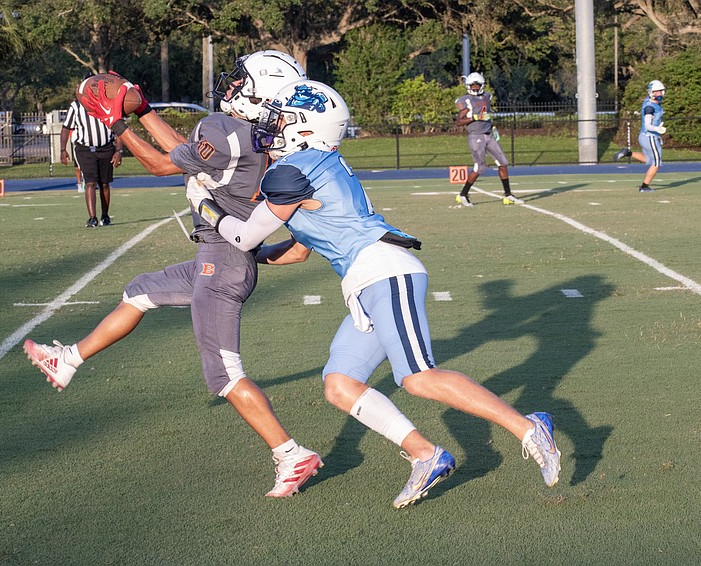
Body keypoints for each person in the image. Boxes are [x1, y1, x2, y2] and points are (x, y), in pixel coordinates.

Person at [193, 79, 561, 508]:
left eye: (282, 119)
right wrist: (247, 257)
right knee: (340, 384)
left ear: (307, 128)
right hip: (365, 281)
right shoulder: (312, 166)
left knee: (418, 377)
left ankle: (528, 427)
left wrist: (202, 203)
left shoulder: (292, 170)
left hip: (385, 272)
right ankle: (426, 454)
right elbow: (294, 252)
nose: (272, 127)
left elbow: (240, 235)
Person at [23, 51, 322, 498]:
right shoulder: (260, 136)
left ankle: (290, 453)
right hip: (224, 258)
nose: (233, 85)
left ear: (260, 89)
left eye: (242, 80)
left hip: (221, 263)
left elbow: (164, 164)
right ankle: (67, 360)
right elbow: (184, 154)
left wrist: (119, 124)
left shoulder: (224, 129)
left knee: (224, 375)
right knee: (140, 291)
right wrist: (142, 111)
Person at [453, 72, 521, 207]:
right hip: (476, 136)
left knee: (503, 163)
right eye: (473, 85)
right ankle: (463, 195)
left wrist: (493, 126)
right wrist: (475, 118)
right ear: (468, 86)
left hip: (489, 134)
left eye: (478, 85)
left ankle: (508, 195)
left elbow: (487, 115)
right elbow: (459, 122)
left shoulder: (487, 96)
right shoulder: (466, 100)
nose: (476, 88)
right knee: (479, 167)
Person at [60, 94, 123, 227]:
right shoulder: (76, 106)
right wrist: (63, 150)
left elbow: (119, 128)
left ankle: (105, 216)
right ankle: (92, 217)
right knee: (90, 182)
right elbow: (66, 128)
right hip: (85, 149)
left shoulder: (108, 104)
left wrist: (118, 151)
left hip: (106, 148)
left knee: (105, 183)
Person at [613, 80, 667, 193]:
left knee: (648, 160)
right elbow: (648, 125)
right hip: (650, 136)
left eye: (660, 91)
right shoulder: (650, 107)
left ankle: (628, 153)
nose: (660, 94)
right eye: (657, 92)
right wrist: (657, 129)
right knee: (656, 163)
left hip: (645, 136)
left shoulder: (651, 102)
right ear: (652, 92)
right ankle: (644, 186)